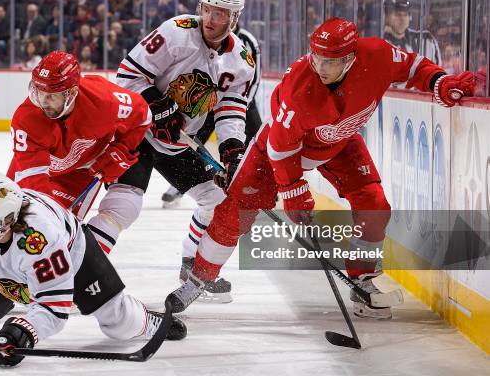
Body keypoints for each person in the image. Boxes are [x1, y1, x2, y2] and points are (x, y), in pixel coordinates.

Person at [167, 17, 476, 317]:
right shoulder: (301, 85)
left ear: (351, 58)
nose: (320, 67)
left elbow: (412, 66)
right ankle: (198, 279)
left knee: (375, 204)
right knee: (235, 212)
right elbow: (280, 145)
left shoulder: (377, 55)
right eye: (317, 57)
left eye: (331, 61)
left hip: (338, 141)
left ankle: (362, 279)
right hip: (277, 150)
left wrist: (440, 80)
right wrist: (293, 190)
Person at [0, 173, 186, 367]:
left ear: (7, 219)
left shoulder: (42, 238)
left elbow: (54, 303)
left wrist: (25, 332)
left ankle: (148, 321)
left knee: (119, 324)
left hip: (74, 255)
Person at [109, 0, 255, 303]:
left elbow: (232, 108)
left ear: (235, 19)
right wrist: (158, 106)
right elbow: (128, 75)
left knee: (217, 200)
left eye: (223, 15)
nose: (213, 20)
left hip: (178, 143)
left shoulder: (241, 61)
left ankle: (191, 266)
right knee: (122, 207)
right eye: (209, 11)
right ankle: (79, 272)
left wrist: (232, 149)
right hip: (137, 134)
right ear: (201, 7)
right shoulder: (176, 31)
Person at [6, 50, 151, 247]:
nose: (42, 102)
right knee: (10, 227)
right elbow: (33, 179)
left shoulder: (104, 100)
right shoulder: (26, 118)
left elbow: (142, 114)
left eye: (51, 96)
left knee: (62, 240)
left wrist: (121, 149)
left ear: (71, 93)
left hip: (80, 174)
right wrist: (47, 216)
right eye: (39, 92)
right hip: (36, 171)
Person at [161, 22, 262, 208]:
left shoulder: (247, 40)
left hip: (241, 103)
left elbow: (255, 78)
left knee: (257, 146)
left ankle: (261, 187)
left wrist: (242, 107)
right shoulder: (204, 36)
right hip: (208, 102)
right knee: (192, 142)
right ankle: (178, 185)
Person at [383, 0, 442, 66]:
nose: (402, 19)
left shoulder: (426, 40)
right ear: (387, 17)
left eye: (405, 15)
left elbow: (438, 72)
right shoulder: (381, 42)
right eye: (398, 15)